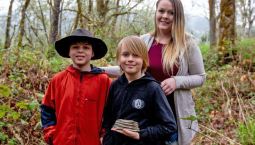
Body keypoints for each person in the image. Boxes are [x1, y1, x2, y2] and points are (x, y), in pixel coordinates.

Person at [101, 0, 206, 144]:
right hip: (145, 119)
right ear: (156, 12)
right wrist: (100, 70)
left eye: (171, 13)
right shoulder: (144, 41)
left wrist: (177, 81)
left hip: (173, 118)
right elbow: (129, 67)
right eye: (161, 11)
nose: (165, 16)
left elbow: (201, 77)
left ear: (178, 16)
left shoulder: (188, 44)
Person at [40, 28, 112, 145]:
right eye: (75, 47)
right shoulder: (58, 80)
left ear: (92, 53)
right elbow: (46, 108)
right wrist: (51, 134)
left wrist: (105, 135)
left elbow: (112, 113)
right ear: (69, 52)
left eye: (86, 47)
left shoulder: (104, 81)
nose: (80, 51)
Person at [102, 36, 177, 145]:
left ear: (144, 60)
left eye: (136, 55)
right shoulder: (115, 86)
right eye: (125, 54)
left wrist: (141, 134)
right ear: (119, 58)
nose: (130, 59)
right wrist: (108, 140)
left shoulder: (153, 88)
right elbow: (108, 118)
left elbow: (169, 126)